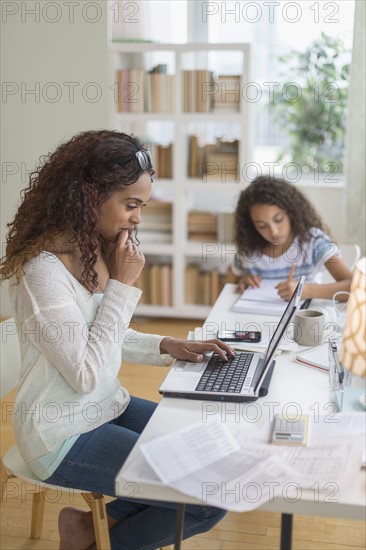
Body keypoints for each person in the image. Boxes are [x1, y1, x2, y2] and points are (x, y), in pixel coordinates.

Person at [0, 130, 232, 550]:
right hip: (61, 434)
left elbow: (107, 336)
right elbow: (86, 373)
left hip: (106, 408)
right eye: (131, 205)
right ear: (90, 197)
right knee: (208, 497)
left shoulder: (89, 251)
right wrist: (123, 286)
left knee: (211, 461)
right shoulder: (42, 275)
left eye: (140, 206)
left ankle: (89, 528)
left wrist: (167, 345)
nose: (138, 218)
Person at [232, 176, 353, 300]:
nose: (274, 231)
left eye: (278, 220)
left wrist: (307, 291)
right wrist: (244, 281)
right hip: (257, 317)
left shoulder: (314, 241)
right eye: (262, 226)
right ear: (251, 225)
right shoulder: (248, 247)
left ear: (291, 212)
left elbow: (357, 286)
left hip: (303, 317)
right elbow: (232, 282)